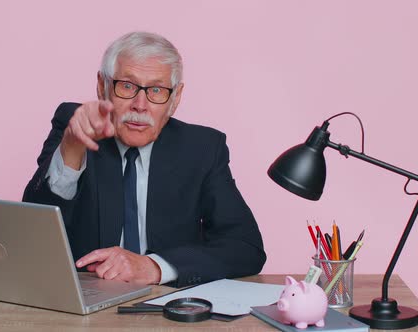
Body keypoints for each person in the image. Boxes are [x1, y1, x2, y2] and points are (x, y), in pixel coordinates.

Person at [23, 31, 266, 287]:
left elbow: (245, 246)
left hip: (168, 310)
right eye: (127, 86)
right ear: (102, 86)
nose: (140, 105)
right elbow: (31, 233)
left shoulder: (202, 148)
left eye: (157, 90)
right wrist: (71, 149)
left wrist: (155, 267)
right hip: (82, 303)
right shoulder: (74, 125)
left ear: (175, 98)